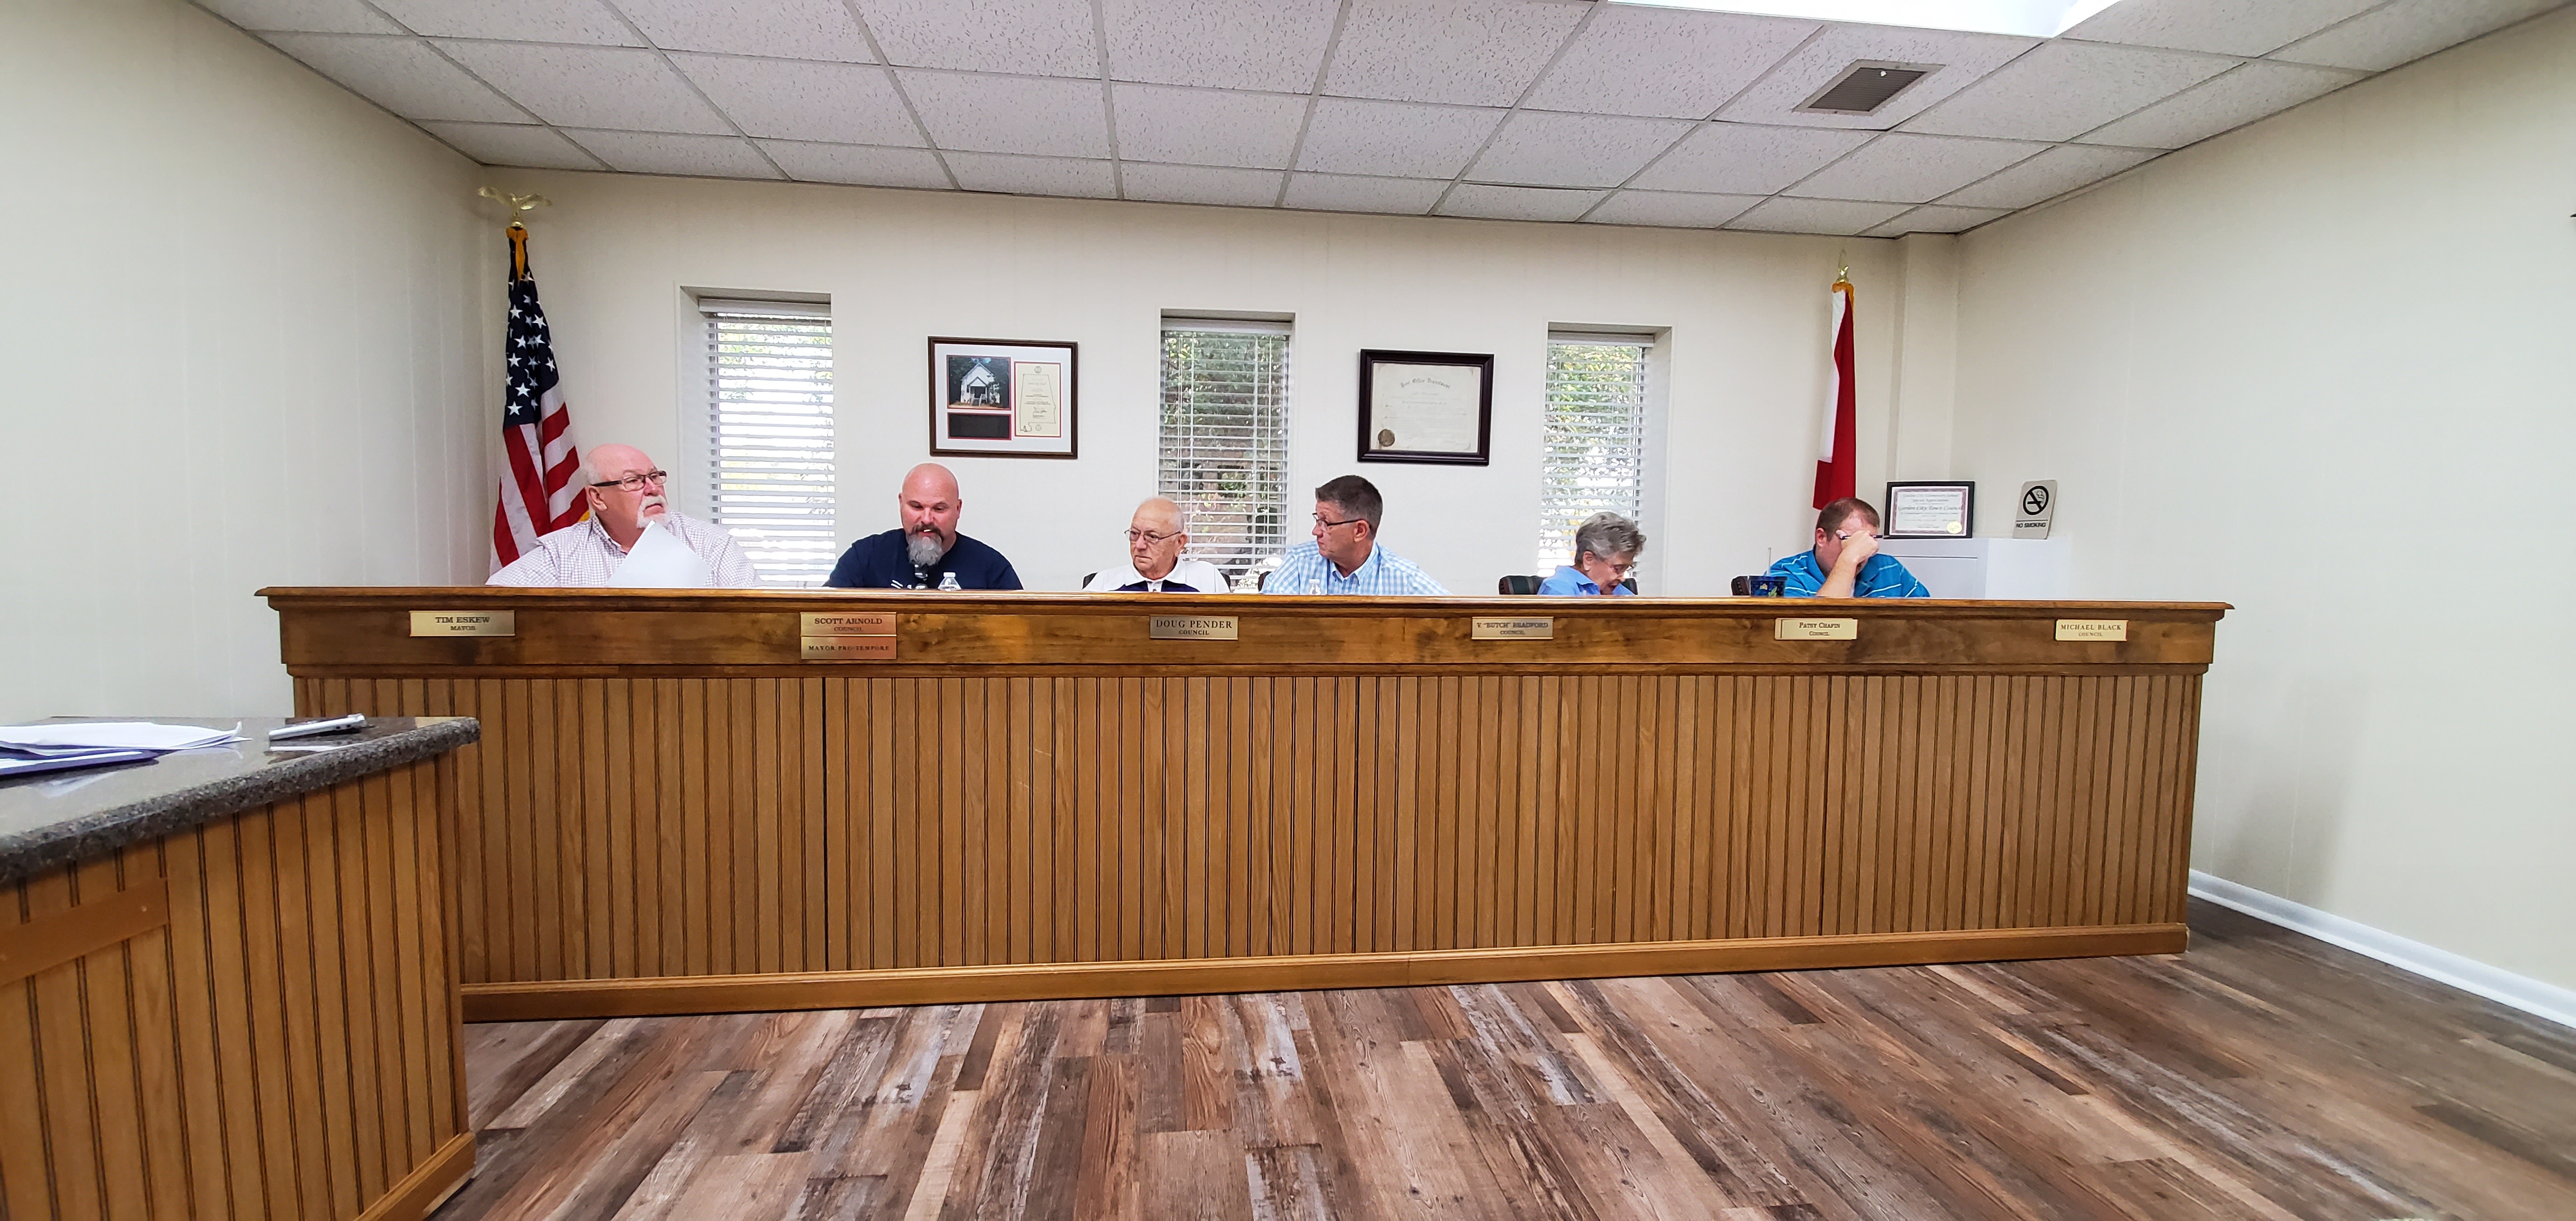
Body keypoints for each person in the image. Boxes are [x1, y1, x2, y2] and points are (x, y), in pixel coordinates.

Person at [489, 444, 759, 587]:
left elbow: (758, 619)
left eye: (655, 476)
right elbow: (495, 604)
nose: (653, 488)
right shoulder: (561, 553)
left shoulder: (712, 544)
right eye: (634, 481)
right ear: (597, 498)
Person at [824, 462, 1023, 590]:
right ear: (901, 504)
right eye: (916, 507)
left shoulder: (992, 569)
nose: (927, 519)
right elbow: (822, 620)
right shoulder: (864, 557)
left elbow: (1022, 634)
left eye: (939, 509)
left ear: (958, 509)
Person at [1261, 475, 1448, 595]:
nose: (1316, 532)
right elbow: (1262, 622)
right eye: (1318, 520)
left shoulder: (1404, 578)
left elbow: (1456, 620)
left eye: (1326, 523)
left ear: (1359, 531)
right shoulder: (1299, 563)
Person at [1768, 497, 1929, 598]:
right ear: (1822, 538)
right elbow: (1819, 627)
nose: (1863, 553)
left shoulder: (1890, 569)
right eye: (1852, 541)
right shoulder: (1784, 574)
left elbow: (1928, 624)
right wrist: (1849, 559)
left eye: (1868, 541)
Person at [1084, 497, 1229, 593]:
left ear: (1179, 543)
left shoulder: (1207, 579)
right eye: (1135, 534)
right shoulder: (1104, 584)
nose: (1139, 545)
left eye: (1152, 537)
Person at [1538, 512, 1644, 596]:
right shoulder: (1557, 589)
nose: (1622, 578)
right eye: (1617, 569)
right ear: (1589, 560)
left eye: (1626, 569)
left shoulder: (1617, 590)